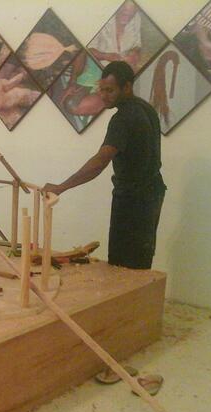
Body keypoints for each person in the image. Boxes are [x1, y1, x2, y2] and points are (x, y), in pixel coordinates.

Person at [43, 61, 166, 270]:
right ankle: (137, 301)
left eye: (110, 90)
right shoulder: (145, 108)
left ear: (126, 87)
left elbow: (100, 162)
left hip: (133, 200)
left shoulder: (123, 118)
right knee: (141, 257)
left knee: (123, 264)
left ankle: (130, 302)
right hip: (152, 193)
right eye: (102, 89)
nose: (103, 95)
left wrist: (61, 187)